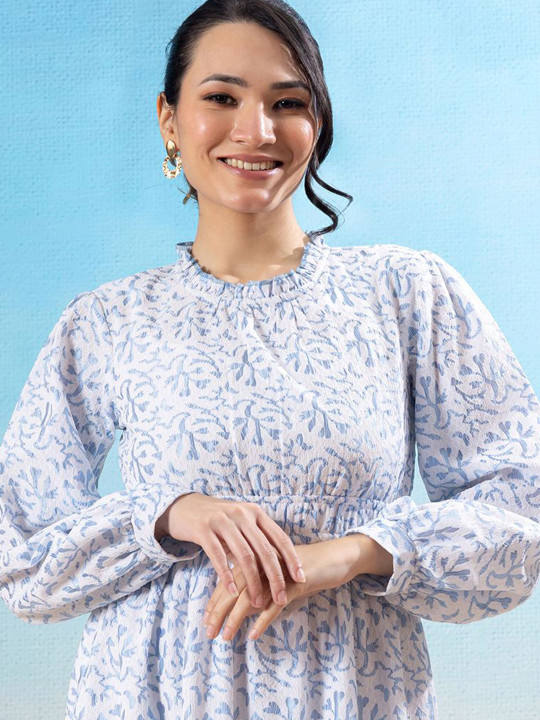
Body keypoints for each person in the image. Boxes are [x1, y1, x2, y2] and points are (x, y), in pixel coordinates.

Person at [1, 0, 539, 718]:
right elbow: (20, 559)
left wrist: (354, 551)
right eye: (221, 98)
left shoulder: (406, 294)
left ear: (317, 124)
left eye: (287, 103)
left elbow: (520, 519)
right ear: (169, 120)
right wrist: (166, 515)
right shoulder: (107, 321)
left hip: (351, 691)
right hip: (150, 695)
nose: (256, 130)